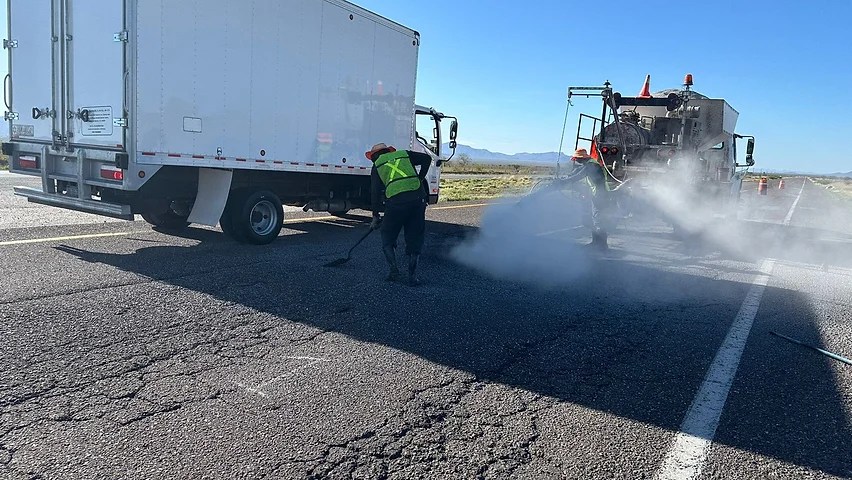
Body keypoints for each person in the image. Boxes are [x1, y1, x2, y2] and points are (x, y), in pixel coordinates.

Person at [365, 142, 431, 285]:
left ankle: (394, 271)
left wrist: (375, 216)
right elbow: (427, 159)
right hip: (417, 199)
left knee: (387, 235)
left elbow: (375, 193)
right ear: (388, 150)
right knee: (415, 236)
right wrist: (420, 178)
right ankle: (412, 277)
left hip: (396, 203)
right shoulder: (403, 154)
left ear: (374, 156)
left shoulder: (377, 165)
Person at [561, 147, 611, 249]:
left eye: (577, 159)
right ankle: (596, 242)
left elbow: (578, 176)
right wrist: (565, 178)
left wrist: (564, 182)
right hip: (598, 194)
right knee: (595, 218)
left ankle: (602, 245)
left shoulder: (591, 166)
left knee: (598, 220)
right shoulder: (589, 164)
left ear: (581, 158)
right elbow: (576, 172)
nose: (576, 161)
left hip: (600, 195)